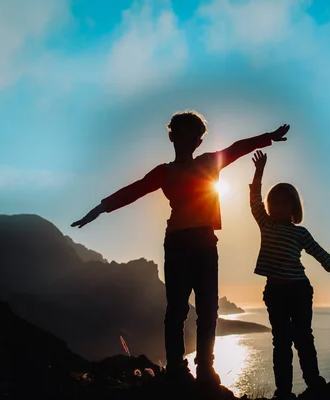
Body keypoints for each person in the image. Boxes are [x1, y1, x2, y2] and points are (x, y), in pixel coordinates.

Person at [71, 111, 290, 385]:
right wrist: (101, 208)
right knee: (177, 309)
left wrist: (268, 137)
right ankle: (176, 366)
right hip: (178, 243)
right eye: (182, 134)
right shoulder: (166, 172)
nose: (187, 140)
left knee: (208, 308)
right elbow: (134, 190)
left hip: (204, 242)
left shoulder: (209, 162)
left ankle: (205, 369)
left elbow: (237, 148)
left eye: (193, 136)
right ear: (172, 136)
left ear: (198, 142)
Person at [249, 150, 330, 399]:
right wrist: (259, 172)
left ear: (293, 207)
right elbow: (254, 200)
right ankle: (284, 391)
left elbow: (321, 255)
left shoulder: (301, 233)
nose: (278, 207)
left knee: (303, 338)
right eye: (274, 202)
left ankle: (314, 382)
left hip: (299, 290)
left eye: (284, 203)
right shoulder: (265, 224)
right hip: (276, 292)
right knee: (280, 342)